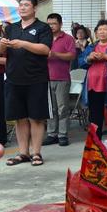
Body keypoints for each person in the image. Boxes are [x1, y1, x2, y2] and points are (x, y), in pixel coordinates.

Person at [0, 0, 52, 166]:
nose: (22, 8)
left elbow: (45, 50)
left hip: (36, 79)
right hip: (13, 79)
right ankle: (23, 153)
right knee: (19, 118)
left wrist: (23, 44)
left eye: (26, 5)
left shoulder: (43, 28)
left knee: (36, 117)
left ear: (34, 8)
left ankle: (36, 153)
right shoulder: (11, 28)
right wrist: (3, 44)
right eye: (20, 5)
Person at [79, 20, 107, 140]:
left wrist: (106, 56)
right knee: (95, 115)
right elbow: (80, 62)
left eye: (105, 29)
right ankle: (96, 143)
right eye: (99, 30)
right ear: (96, 33)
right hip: (93, 84)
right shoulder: (91, 47)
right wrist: (89, 58)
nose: (102, 32)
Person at [44, 13, 76, 147]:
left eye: (54, 23)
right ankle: (52, 134)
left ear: (60, 24)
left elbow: (72, 56)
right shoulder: (44, 38)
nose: (51, 26)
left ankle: (62, 134)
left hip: (62, 78)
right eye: (49, 24)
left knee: (62, 108)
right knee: (51, 109)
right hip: (45, 78)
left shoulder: (68, 38)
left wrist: (55, 54)